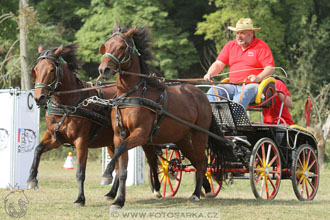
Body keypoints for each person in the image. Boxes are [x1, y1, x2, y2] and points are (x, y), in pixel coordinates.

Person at [204, 18, 275, 108]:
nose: (239, 36)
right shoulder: (230, 45)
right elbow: (218, 63)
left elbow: (270, 68)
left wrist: (258, 77)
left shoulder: (261, 46)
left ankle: (233, 118)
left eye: (242, 33)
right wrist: (210, 73)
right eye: (237, 33)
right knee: (214, 91)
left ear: (251, 33)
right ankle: (213, 116)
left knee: (244, 92)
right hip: (232, 85)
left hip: (252, 86)